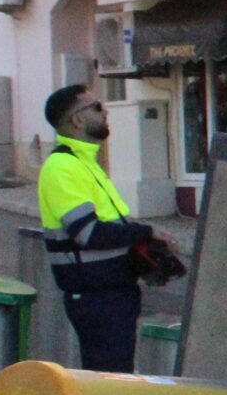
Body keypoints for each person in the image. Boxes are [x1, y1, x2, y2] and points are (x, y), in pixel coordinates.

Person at [36, 85, 158, 372]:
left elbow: (113, 225)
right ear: (77, 120)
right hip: (96, 298)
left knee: (116, 378)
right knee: (110, 383)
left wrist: (143, 239)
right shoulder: (63, 167)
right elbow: (88, 234)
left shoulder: (84, 163)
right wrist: (144, 232)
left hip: (112, 294)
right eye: (97, 107)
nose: (105, 113)